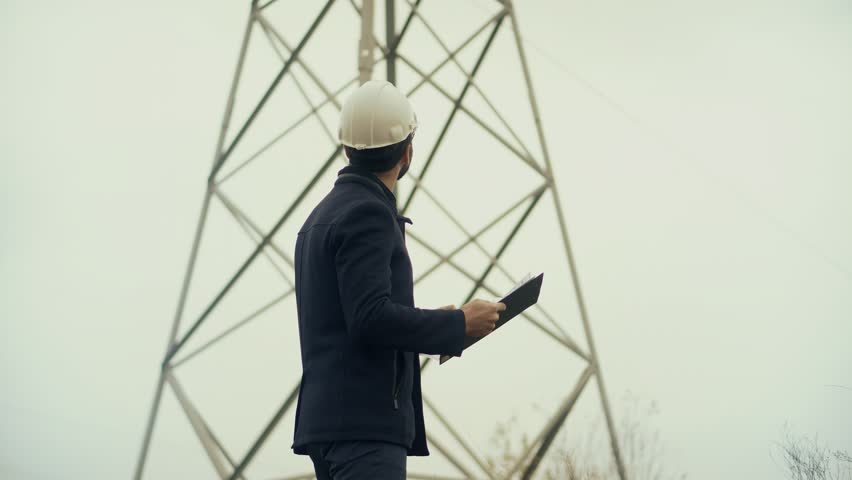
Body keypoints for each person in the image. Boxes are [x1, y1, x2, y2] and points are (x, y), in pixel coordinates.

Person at [290, 80, 506, 479]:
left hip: (329, 424)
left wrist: (431, 320)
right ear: (407, 153)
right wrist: (457, 325)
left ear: (346, 147)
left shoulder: (319, 218)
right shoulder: (367, 214)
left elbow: (352, 314)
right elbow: (370, 318)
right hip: (365, 429)